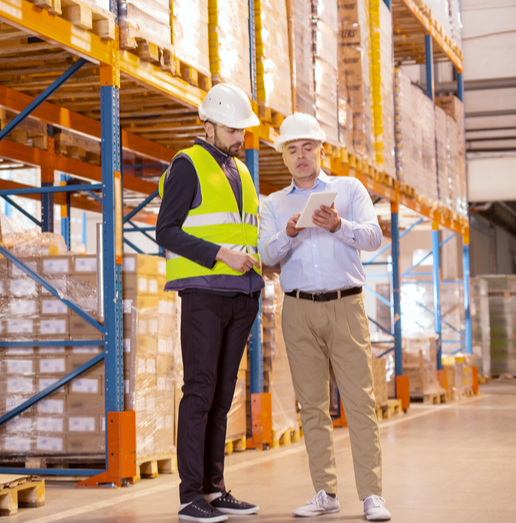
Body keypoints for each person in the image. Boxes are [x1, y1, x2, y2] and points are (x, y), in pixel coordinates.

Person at [257, 113, 392, 521]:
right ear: (284, 156)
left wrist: (339, 225)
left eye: (307, 148)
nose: (300, 156)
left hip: (345, 305)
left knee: (359, 401)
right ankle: (324, 491)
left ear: (321, 150)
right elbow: (265, 255)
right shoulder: (275, 204)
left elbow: (374, 236)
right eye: (292, 150)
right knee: (312, 406)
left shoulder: (349, 190)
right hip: (297, 309)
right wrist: (289, 235)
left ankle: (372, 495)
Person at [155, 83, 263, 523]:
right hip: (204, 294)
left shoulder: (242, 171)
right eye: (233, 129)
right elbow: (166, 231)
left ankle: (214, 489)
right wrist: (220, 254)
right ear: (209, 125)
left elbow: (243, 231)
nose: (240, 138)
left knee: (221, 395)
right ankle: (189, 496)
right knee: (199, 392)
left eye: (242, 130)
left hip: (244, 295)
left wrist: (260, 262)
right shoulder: (188, 164)